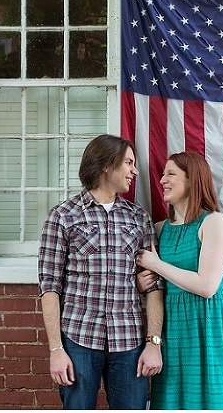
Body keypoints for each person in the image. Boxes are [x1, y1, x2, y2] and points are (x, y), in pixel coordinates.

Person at [38, 134, 164, 410]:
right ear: (107, 165)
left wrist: (154, 343)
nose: (135, 171)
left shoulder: (137, 218)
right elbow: (49, 288)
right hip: (79, 339)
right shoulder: (62, 216)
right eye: (128, 163)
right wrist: (56, 350)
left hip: (129, 342)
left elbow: (154, 287)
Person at [136, 152, 223, 409]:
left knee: (210, 400)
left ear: (193, 180)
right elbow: (157, 286)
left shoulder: (215, 222)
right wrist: (142, 285)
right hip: (171, 328)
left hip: (208, 325)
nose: (162, 180)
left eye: (170, 174)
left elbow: (207, 286)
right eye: (163, 174)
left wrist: (157, 265)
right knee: (172, 400)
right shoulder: (161, 229)